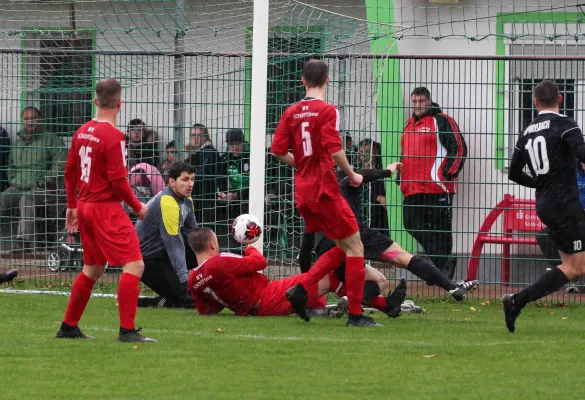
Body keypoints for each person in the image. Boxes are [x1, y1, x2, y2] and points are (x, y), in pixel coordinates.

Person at [271, 59, 376, 327]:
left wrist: (300, 163)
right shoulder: (328, 110)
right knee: (356, 247)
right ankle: (355, 314)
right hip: (324, 189)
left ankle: (301, 290)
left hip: (303, 193)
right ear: (328, 80)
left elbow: (278, 150)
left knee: (343, 246)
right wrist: (352, 175)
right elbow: (334, 148)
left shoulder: (291, 112)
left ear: (303, 81)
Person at [300, 165, 478, 315]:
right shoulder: (344, 177)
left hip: (326, 247)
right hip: (354, 235)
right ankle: (453, 287)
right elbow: (365, 175)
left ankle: (357, 302)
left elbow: (307, 241)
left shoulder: (311, 192)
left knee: (379, 280)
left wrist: (303, 275)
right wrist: (388, 171)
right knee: (402, 257)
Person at [57, 78, 156, 342]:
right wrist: (138, 207)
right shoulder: (114, 136)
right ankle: (127, 331)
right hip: (105, 209)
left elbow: (69, 172)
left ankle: (68, 326)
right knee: (134, 264)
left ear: (95, 101)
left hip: (85, 206)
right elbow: (118, 181)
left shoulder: (81, 131)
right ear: (119, 104)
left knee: (93, 267)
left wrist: (71, 205)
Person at [504, 80, 585, 333]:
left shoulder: (527, 131)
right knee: (577, 268)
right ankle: (518, 301)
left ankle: (517, 302)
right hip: (566, 204)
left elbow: (514, 173)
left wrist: (539, 183)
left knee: (572, 269)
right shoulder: (565, 125)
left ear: (535, 102)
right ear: (560, 99)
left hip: (547, 204)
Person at [187, 228, 401, 322]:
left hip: (256, 306)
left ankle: (383, 305)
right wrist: (248, 246)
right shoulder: (220, 261)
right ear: (213, 243)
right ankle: (382, 305)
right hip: (268, 296)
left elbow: (207, 310)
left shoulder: (193, 279)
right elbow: (260, 262)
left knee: (320, 288)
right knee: (332, 276)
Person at [399, 87, 467, 279]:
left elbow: (459, 146)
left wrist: (448, 173)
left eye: (421, 101)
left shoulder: (442, 120)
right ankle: (443, 265)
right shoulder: (408, 124)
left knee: (441, 230)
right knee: (411, 223)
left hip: (438, 187)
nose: (417, 105)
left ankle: (441, 275)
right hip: (412, 187)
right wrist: (400, 179)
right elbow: (404, 154)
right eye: (414, 102)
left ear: (429, 101)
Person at [0, 107, 67, 248]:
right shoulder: (18, 143)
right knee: (3, 198)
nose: (29, 122)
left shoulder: (51, 139)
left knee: (27, 199)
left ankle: (25, 244)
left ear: (40, 120)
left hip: (44, 188)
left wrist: (44, 180)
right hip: (19, 186)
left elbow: (62, 164)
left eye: (33, 118)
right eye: (26, 119)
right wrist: (13, 180)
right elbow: (10, 166)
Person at [136, 161, 197, 308]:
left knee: (201, 246)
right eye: (185, 179)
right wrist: (184, 280)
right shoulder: (168, 202)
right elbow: (174, 246)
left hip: (163, 254)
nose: (190, 184)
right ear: (172, 182)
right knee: (191, 301)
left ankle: (173, 295)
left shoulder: (187, 198)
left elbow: (194, 237)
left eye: (192, 179)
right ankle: (141, 301)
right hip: (148, 261)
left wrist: (208, 271)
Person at [217, 129, 249, 249]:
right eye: (231, 145)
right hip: (230, 200)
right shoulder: (224, 159)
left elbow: (257, 184)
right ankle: (229, 247)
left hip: (247, 199)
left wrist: (238, 195)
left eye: (237, 144)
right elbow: (219, 179)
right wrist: (221, 193)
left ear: (243, 143)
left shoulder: (251, 157)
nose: (234, 148)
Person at [187, 123, 219, 227]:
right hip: (197, 199)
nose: (195, 138)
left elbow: (203, 175)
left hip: (206, 200)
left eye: (199, 135)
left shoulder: (210, 152)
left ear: (205, 137)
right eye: (192, 135)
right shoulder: (197, 153)